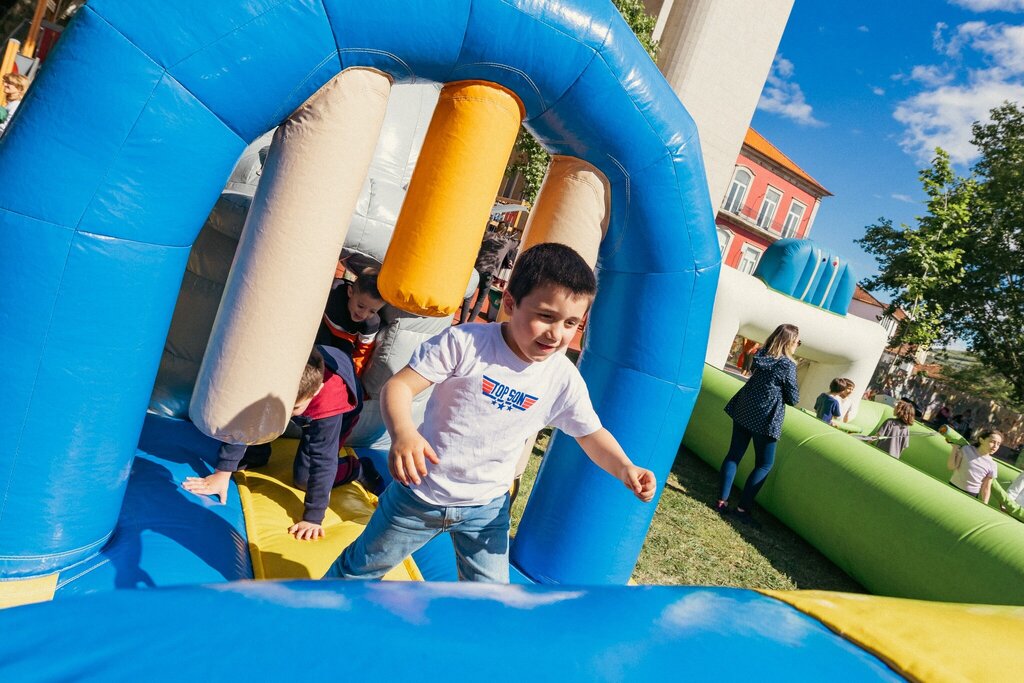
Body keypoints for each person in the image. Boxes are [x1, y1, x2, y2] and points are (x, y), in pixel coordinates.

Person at [323, 243, 656, 583]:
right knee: (357, 571)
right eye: (546, 316)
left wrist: (624, 467)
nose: (557, 334)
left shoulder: (561, 378)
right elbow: (399, 386)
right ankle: (312, 607)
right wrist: (404, 433)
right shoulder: (466, 343)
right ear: (510, 303)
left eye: (571, 323)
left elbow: (590, 434)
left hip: (486, 508)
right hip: (420, 495)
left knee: (490, 595)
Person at [183, 346, 362, 540]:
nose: (285, 415)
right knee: (253, 446)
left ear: (316, 390)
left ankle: (358, 469)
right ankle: (260, 451)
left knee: (304, 479)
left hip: (342, 411)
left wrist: (313, 518)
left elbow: (324, 461)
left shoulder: (329, 405)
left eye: (294, 408)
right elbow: (246, 420)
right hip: (302, 378)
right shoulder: (272, 377)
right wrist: (222, 472)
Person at [714, 323, 800, 524]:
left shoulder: (761, 355)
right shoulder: (786, 365)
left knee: (734, 455)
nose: (798, 345)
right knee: (764, 464)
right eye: (798, 342)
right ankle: (742, 509)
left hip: (744, 408)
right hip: (766, 416)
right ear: (789, 342)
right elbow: (794, 398)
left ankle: (721, 501)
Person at [314, 267, 385, 376]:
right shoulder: (334, 293)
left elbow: (363, 351)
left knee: (342, 362)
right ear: (350, 292)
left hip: (345, 341)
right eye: (360, 306)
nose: (363, 314)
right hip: (323, 327)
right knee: (317, 350)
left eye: (372, 311)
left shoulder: (371, 323)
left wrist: (354, 374)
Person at [460, 226, 518, 324]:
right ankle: (469, 323)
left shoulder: (487, 235)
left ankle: (461, 322)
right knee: (480, 300)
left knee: (468, 298)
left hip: (477, 269)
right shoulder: (507, 242)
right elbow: (517, 243)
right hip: (490, 273)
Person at [947, 428, 1002, 504]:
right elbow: (951, 467)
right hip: (952, 487)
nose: (995, 446)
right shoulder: (966, 449)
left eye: (998, 444)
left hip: (971, 496)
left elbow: (986, 487)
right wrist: (954, 449)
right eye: (992, 442)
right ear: (981, 440)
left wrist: (985, 504)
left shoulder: (992, 464)